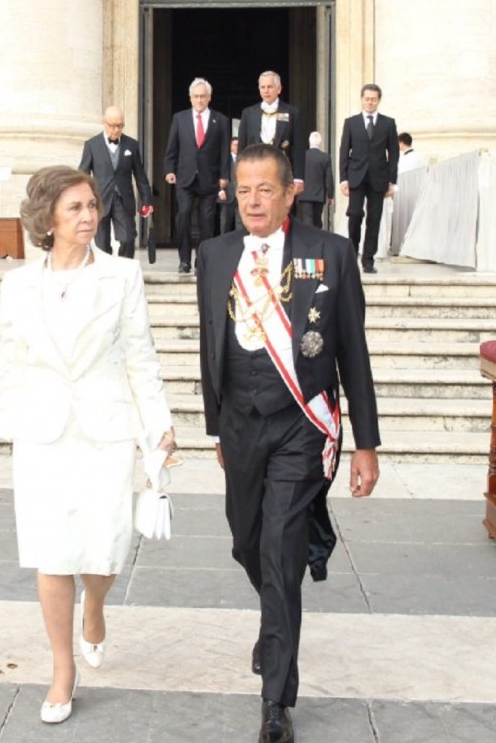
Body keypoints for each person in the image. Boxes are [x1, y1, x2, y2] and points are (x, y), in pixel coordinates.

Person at [0, 166, 174, 726]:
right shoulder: (18, 285)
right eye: (75, 207)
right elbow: (11, 362)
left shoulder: (122, 276)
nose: (88, 216)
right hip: (42, 433)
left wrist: (159, 426)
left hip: (105, 428)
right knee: (51, 552)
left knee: (105, 547)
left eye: (92, 206)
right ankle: (62, 669)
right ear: (48, 218)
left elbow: (140, 356)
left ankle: (95, 607)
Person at [195, 144, 380, 743]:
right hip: (242, 426)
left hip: (301, 425)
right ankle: (276, 614)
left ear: (290, 192)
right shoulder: (214, 254)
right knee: (248, 542)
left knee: (278, 552)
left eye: (265, 190)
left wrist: (367, 443)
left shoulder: (331, 253)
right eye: (243, 190)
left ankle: (277, 699)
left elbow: (352, 348)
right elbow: (210, 347)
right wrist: (216, 425)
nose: (253, 200)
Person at [163, 77, 231, 273]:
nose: (199, 100)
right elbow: (172, 147)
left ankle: (202, 260)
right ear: (190, 98)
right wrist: (169, 169)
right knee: (183, 216)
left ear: (209, 98)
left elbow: (225, 151)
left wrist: (224, 176)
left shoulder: (222, 120)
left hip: (210, 179)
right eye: (196, 96)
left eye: (203, 96)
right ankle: (184, 260)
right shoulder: (180, 118)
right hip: (185, 178)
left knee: (207, 221)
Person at [339, 83, 399, 274]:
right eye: (367, 98)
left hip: (379, 179)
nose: (370, 102)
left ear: (378, 100)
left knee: (374, 219)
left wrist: (392, 181)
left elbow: (394, 154)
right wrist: (343, 179)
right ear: (362, 99)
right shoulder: (351, 122)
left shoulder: (388, 123)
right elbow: (343, 151)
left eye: (374, 99)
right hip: (356, 177)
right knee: (355, 214)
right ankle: (352, 253)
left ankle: (368, 260)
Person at [78, 105, 152, 258]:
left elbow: (140, 176)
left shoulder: (132, 145)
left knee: (127, 239)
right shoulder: (92, 145)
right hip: (100, 201)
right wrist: (82, 201)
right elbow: (83, 175)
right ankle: (106, 275)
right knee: (102, 244)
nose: (116, 130)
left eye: (120, 126)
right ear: (104, 123)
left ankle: (126, 273)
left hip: (124, 200)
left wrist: (147, 201)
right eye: (112, 126)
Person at [237, 71, 306, 191]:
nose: (266, 91)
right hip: (254, 170)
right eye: (262, 87)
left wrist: (299, 178)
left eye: (269, 87)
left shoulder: (292, 113)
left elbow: (299, 148)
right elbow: (242, 146)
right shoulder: (248, 113)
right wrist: (239, 173)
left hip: (281, 171)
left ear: (278, 89)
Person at [296, 131, 334, 229]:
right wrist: (330, 195)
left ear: (309, 142)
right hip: (319, 195)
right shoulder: (325, 157)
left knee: (306, 220)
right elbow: (329, 178)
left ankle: (308, 242)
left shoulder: (301, 156)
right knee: (317, 221)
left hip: (303, 194)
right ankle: (317, 241)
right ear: (320, 143)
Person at [218, 137, 240, 235]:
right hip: (227, 195)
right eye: (235, 145)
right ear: (230, 146)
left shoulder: (243, 160)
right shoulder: (224, 160)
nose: (237, 147)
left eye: (239, 145)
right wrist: (220, 191)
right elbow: (216, 175)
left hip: (240, 196)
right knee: (225, 223)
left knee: (240, 224)